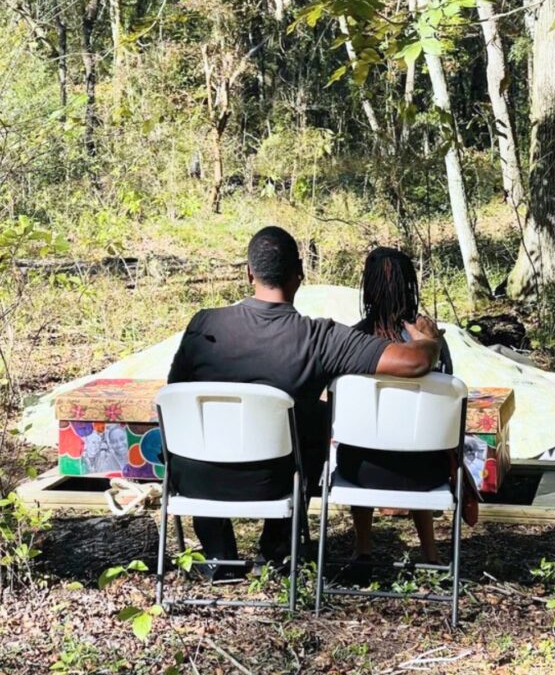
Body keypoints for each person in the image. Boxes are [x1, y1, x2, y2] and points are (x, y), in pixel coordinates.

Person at [167, 227, 443, 582]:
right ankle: (277, 547)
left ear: (249, 273)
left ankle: (219, 556)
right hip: (272, 482)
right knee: (316, 417)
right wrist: (430, 342)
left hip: (195, 479)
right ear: (300, 272)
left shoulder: (203, 324)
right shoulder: (320, 338)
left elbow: (175, 392)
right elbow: (414, 362)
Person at [335, 247, 465, 583]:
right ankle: (431, 555)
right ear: (411, 286)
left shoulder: (352, 340)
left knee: (359, 441)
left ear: (367, 288)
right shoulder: (432, 344)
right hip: (426, 473)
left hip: (362, 472)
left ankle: (363, 550)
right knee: (419, 438)